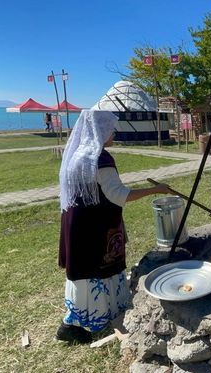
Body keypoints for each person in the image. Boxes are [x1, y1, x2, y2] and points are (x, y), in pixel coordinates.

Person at [56, 110, 172, 344]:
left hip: (77, 223)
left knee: (83, 270)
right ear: (100, 131)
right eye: (110, 128)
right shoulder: (101, 158)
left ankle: (75, 319)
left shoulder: (79, 154)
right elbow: (119, 195)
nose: (114, 132)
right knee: (96, 269)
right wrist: (156, 189)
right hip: (95, 227)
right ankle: (79, 323)